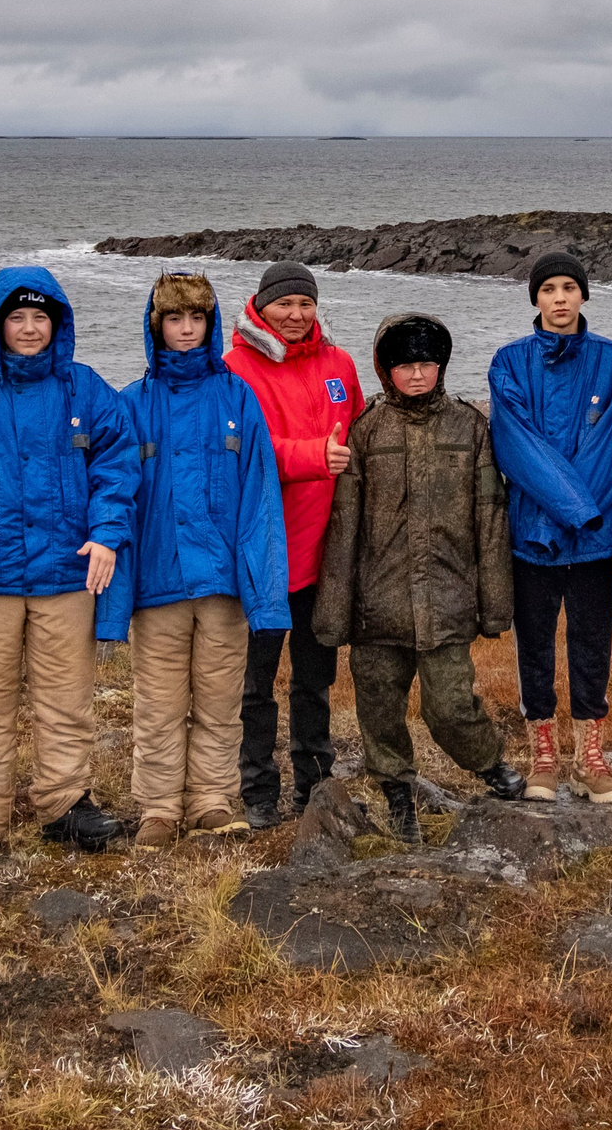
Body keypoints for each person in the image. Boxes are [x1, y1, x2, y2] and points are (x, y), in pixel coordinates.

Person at [0, 267, 139, 866]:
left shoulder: (88, 391)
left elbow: (117, 469)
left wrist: (106, 535)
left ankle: (65, 804)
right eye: (17, 317)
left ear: (58, 323)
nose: (29, 328)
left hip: (67, 578)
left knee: (67, 701)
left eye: (40, 317)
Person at [313, 313, 528, 843]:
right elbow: (344, 527)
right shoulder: (366, 430)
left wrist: (495, 604)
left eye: (426, 363)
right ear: (386, 370)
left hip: (447, 599)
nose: (416, 374)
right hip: (376, 604)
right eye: (405, 364)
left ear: (441, 366)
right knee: (379, 708)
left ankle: (488, 763)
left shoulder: (469, 427)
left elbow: (491, 517)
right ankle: (396, 790)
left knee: (452, 704)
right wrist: (334, 613)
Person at [99, 271, 291, 849]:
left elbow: (260, 494)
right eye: (175, 319)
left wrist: (264, 592)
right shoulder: (132, 403)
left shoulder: (237, 397)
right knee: (157, 702)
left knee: (219, 699)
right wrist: (114, 602)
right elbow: (115, 498)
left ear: (210, 325)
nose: (186, 330)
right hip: (158, 583)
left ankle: (210, 797)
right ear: (156, 326)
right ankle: (158, 806)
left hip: (225, 584)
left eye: (197, 319)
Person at [488, 251, 612, 803]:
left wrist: (579, 515)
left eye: (569, 287)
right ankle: (543, 754)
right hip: (531, 536)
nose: (560, 298)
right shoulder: (508, 362)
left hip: (594, 537)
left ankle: (591, 757)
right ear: (536, 298)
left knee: (593, 642)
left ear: (583, 295)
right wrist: (570, 509)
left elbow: (611, 446)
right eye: (548, 288)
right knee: (536, 648)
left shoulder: (611, 359)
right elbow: (517, 447)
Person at [226, 260, 366, 829]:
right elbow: (241, 451)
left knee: (315, 680)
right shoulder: (235, 367)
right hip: (263, 551)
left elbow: (356, 429)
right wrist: (313, 457)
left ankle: (314, 784)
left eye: (305, 304)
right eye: (284, 304)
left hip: (321, 554)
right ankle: (257, 788)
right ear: (261, 306)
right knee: (256, 685)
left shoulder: (339, 363)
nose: (295, 315)